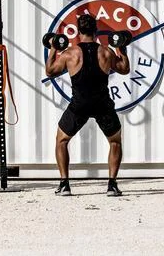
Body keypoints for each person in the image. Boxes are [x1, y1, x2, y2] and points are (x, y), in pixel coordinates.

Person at [46, 14, 130, 197]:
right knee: (115, 142)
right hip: (102, 105)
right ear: (96, 30)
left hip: (79, 105)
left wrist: (53, 48)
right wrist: (121, 48)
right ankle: (112, 186)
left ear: (78, 31)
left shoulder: (70, 53)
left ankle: (64, 185)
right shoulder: (106, 52)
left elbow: (50, 71)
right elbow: (124, 69)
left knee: (61, 141)